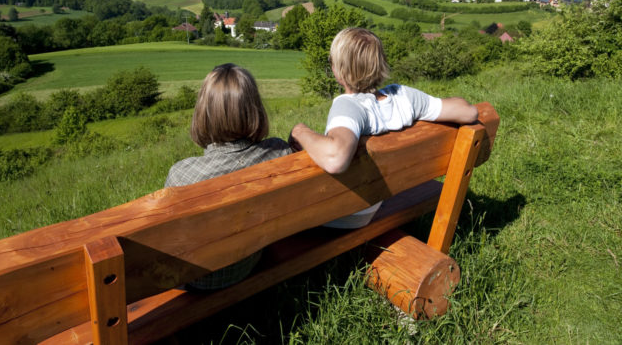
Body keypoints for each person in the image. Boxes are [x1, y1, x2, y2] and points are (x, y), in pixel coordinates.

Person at [289, 27, 478, 228]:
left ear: (338, 69)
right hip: (381, 195)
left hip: (349, 214)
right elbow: (469, 112)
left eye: (332, 61)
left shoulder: (349, 106)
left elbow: (335, 159)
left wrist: (300, 131)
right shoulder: (405, 97)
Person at [165, 63, 292, 289]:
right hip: (249, 261)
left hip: (199, 280)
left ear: (204, 113)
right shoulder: (279, 152)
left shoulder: (182, 177)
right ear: (254, 109)